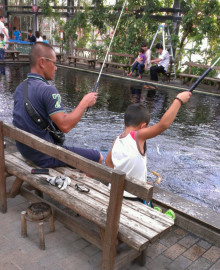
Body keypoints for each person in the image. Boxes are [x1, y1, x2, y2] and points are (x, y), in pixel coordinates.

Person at [13, 42, 103, 168]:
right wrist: (84, 103)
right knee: (97, 157)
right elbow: (65, 126)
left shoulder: (20, 88)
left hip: (26, 151)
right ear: (42, 62)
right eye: (54, 63)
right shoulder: (48, 90)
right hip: (45, 156)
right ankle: (77, 186)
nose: (56, 68)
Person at [105, 91, 191, 198]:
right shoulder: (137, 136)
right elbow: (163, 125)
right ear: (143, 126)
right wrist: (179, 100)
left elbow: (108, 162)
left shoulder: (117, 140)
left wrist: (133, 179)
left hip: (113, 192)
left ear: (125, 123)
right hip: (132, 197)